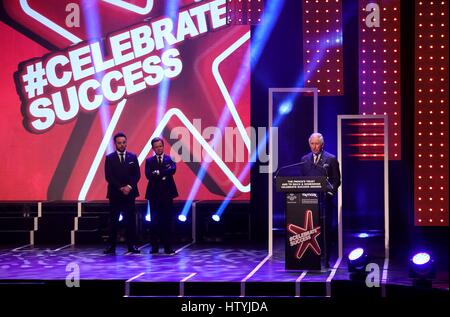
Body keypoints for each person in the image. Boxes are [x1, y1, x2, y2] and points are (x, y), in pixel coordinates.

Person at [299, 132, 341, 267]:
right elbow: (302, 180)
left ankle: (325, 258)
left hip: (325, 202)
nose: (314, 146)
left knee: (325, 231)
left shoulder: (331, 159)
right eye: (312, 143)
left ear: (322, 144)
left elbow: (336, 180)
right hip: (308, 202)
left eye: (317, 144)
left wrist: (329, 193)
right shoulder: (304, 159)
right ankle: (311, 257)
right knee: (311, 230)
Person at [104, 132, 141, 254]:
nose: (122, 145)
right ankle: (111, 246)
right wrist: (121, 188)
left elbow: (137, 175)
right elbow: (108, 176)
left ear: (126, 142)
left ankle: (132, 246)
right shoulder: (109, 158)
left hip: (130, 194)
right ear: (115, 144)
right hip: (115, 194)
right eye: (119, 143)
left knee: (130, 220)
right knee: (113, 221)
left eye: (124, 142)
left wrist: (129, 187)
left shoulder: (132, 157)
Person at [145, 137, 178, 255]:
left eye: (160, 146)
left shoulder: (170, 159)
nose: (159, 148)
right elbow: (148, 175)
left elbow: (172, 171)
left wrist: (158, 172)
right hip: (154, 195)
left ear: (163, 146)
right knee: (154, 221)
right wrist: (164, 172)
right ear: (153, 148)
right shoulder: (149, 161)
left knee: (168, 221)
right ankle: (154, 246)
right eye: (156, 147)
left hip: (167, 194)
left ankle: (168, 247)